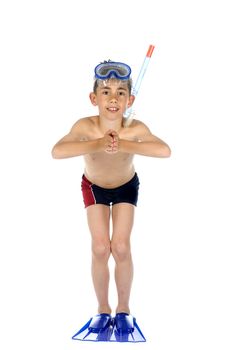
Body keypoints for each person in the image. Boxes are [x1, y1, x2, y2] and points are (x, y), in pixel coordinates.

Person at [52, 60, 171, 341]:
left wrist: (124, 144)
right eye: (106, 91)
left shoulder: (134, 129)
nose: (113, 98)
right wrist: (98, 143)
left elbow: (164, 150)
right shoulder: (86, 126)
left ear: (130, 99)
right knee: (99, 247)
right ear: (94, 99)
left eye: (120, 92)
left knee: (120, 246)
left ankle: (124, 310)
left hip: (126, 187)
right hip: (93, 187)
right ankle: (103, 309)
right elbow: (58, 151)